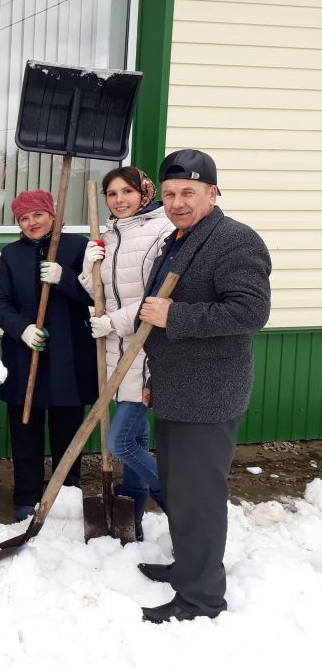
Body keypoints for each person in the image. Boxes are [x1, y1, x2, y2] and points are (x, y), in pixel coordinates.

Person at [135, 149, 271, 623]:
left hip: (209, 394)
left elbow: (249, 312)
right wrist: (154, 377)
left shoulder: (236, 241)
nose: (177, 201)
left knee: (199, 499)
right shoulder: (178, 238)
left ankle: (201, 599)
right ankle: (188, 568)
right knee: (179, 490)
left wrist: (173, 314)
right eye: (170, 193)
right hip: (175, 388)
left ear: (213, 194)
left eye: (189, 192)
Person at [0, 189, 97, 521]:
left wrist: (66, 279)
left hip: (69, 354)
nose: (31, 222)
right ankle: (27, 495)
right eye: (24, 218)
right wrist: (22, 329)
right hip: (25, 358)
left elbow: (96, 296)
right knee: (26, 432)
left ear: (52, 214)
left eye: (37, 215)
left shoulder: (77, 248)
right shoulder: (11, 254)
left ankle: (67, 491)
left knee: (68, 430)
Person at [78, 167, 172, 539]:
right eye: (112, 194)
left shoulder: (161, 231)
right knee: (134, 440)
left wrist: (113, 322)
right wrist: (88, 268)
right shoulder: (109, 235)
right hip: (115, 351)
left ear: (144, 193)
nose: (119, 200)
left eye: (127, 192)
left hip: (147, 350)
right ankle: (132, 514)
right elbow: (96, 292)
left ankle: (173, 499)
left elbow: (161, 297)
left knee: (119, 441)